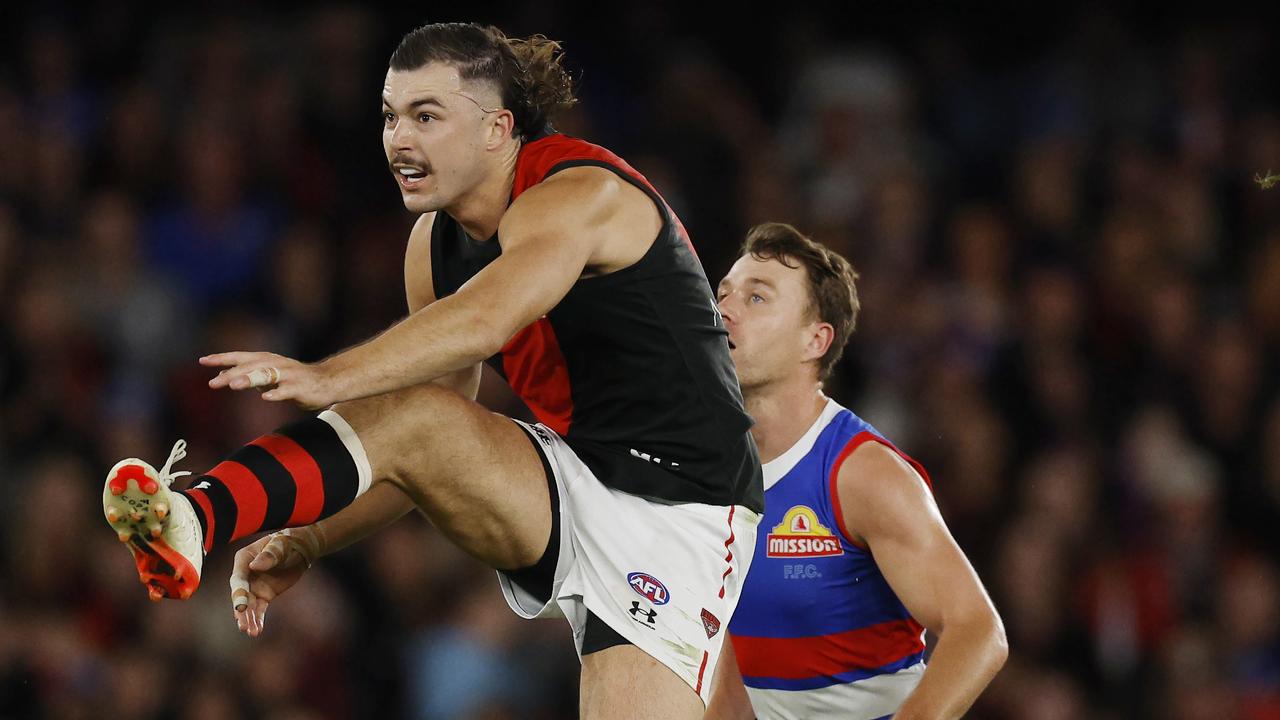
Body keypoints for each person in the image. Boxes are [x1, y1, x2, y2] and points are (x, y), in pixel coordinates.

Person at [100, 22, 762, 719]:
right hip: (571, 479)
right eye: (389, 116)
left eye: (425, 116)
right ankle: (196, 518)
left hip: (682, 506)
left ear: (496, 129)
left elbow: (484, 319)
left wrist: (327, 376)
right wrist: (309, 539)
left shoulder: (582, 193)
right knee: (419, 412)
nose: (398, 140)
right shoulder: (433, 246)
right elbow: (418, 452)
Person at [704, 223, 1007, 720]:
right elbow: (730, 669)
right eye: (724, 293)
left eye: (756, 298)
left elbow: (978, 633)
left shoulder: (861, 473)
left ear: (815, 340)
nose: (725, 310)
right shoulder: (705, 472)